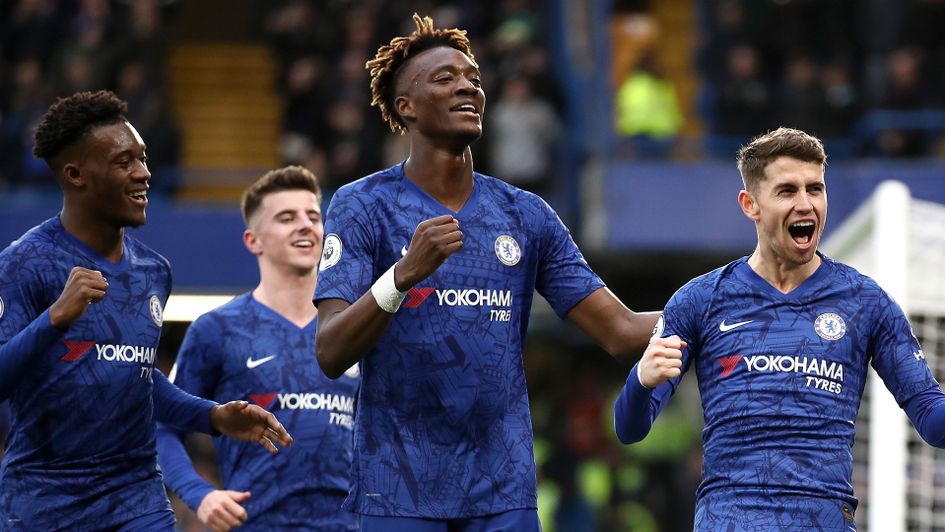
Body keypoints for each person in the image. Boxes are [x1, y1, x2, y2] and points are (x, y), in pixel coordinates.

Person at [314, 14, 658, 531]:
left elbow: (623, 332)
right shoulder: (362, 205)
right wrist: (401, 275)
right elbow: (330, 351)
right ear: (404, 108)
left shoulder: (525, 215)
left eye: (472, 76)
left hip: (502, 490)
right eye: (444, 78)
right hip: (397, 489)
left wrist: (727, 302)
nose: (467, 86)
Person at [614, 127, 945, 530]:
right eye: (788, 191)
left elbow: (931, 417)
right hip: (730, 519)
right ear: (750, 204)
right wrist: (641, 381)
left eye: (815, 189)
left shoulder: (866, 302)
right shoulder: (700, 300)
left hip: (821, 520)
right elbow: (629, 428)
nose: (806, 204)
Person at [0, 90, 292, 531]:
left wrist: (211, 416)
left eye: (143, 158)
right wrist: (54, 318)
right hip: (44, 501)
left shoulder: (153, 271)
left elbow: (133, 375)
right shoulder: (25, 263)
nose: (144, 173)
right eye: (124, 162)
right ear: (76, 174)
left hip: (136, 499)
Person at [155, 166, 359, 531]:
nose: (305, 225)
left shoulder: (356, 324)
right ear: (253, 240)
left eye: (313, 216)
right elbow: (164, 429)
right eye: (286, 217)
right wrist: (199, 494)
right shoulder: (217, 329)